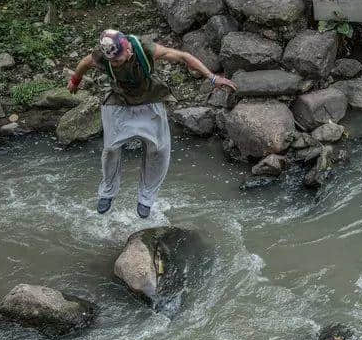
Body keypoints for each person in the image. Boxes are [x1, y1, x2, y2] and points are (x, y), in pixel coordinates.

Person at [67, 29, 236, 218]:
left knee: (158, 149)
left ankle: (146, 198)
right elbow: (84, 63)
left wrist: (212, 78)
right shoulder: (102, 56)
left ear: (128, 50)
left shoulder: (146, 49)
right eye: (111, 61)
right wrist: (75, 80)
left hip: (149, 98)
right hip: (119, 99)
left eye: (118, 60)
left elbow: (184, 57)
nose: (114, 63)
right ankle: (107, 192)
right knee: (111, 148)